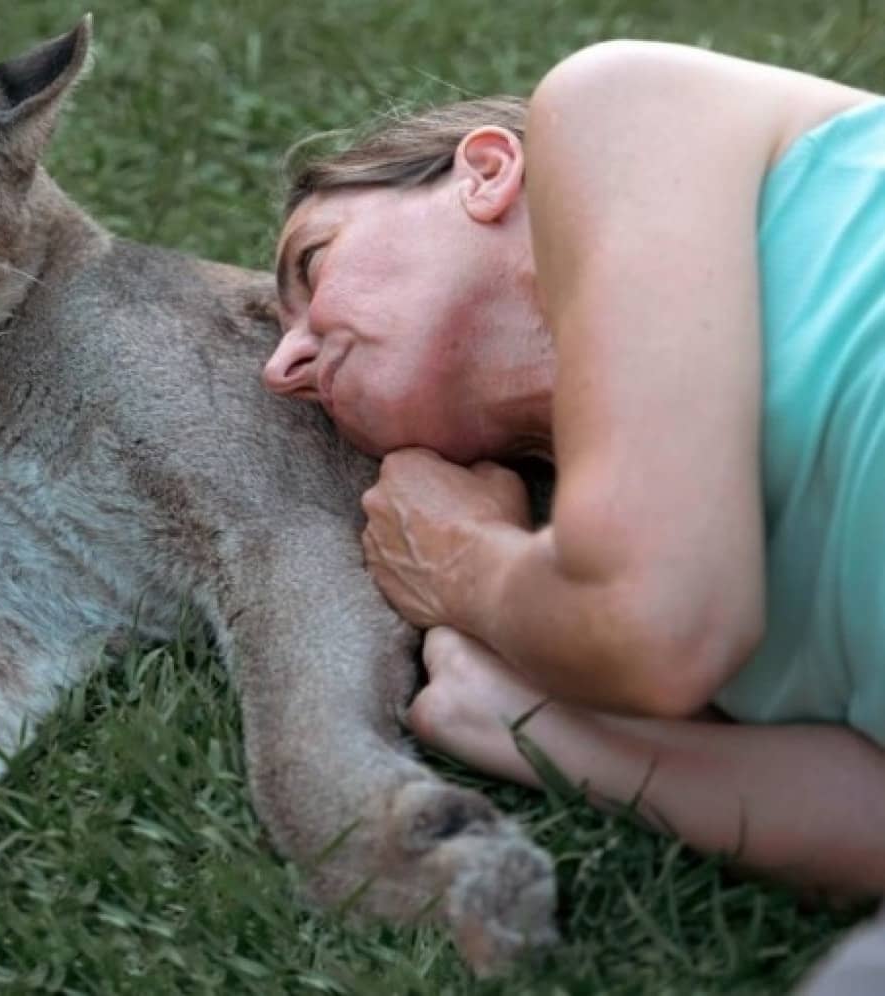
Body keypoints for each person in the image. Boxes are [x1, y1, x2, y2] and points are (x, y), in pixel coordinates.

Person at [262, 39, 885, 906]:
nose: (281, 368)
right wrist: (521, 723)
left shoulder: (621, 108)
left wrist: (466, 562)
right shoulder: (615, 559)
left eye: (313, 263)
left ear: (485, 170)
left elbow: (656, 625)